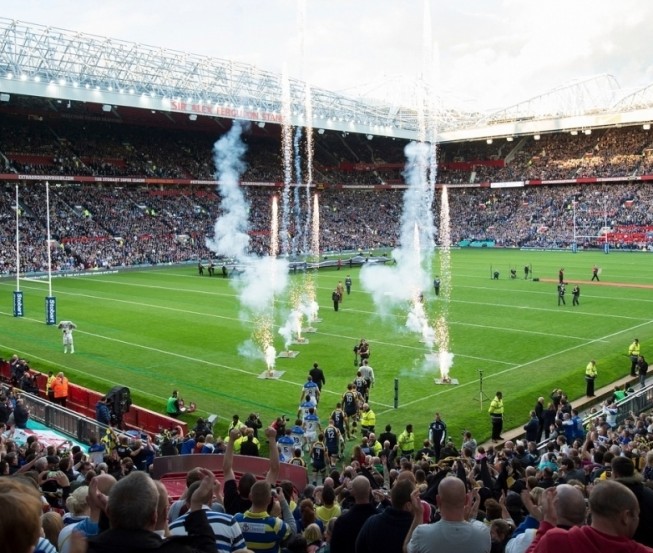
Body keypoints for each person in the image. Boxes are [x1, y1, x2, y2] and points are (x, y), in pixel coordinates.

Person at [87, 469, 217, 553]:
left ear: (108, 511)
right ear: (154, 517)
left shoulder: (84, 548)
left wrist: (107, 514)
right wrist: (196, 506)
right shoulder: (173, 549)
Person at [527, 480, 653, 553]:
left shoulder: (555, 541)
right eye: (637, 515)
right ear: (626, 516)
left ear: (590, 510)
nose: (638, 519)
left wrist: (547, 522)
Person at [404, 476, 490, 553]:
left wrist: (418, 514)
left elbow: (406, 549)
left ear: (438, 501)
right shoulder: (483, 533)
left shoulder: (422, 534)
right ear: (467, 500)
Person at [355, 479, 415, 553]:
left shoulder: (372, 522)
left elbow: (359, 548)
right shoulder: (415, 529)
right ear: (408, 505)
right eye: (416, 500)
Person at [330, 476, 377, 553]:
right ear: (370, 490)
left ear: (352, 492)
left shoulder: (342, 522)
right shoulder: (380, 517)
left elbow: (335, 549)